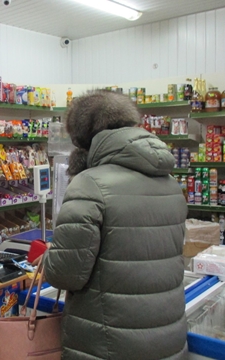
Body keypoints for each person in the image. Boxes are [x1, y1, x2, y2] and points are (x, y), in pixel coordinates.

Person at [43, 90, 188, 359]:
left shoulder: (89, 184)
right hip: (168, 339)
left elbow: (65, 275)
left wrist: (50, 255)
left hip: (108, 342)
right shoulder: (170, 184)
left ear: (83, 138)